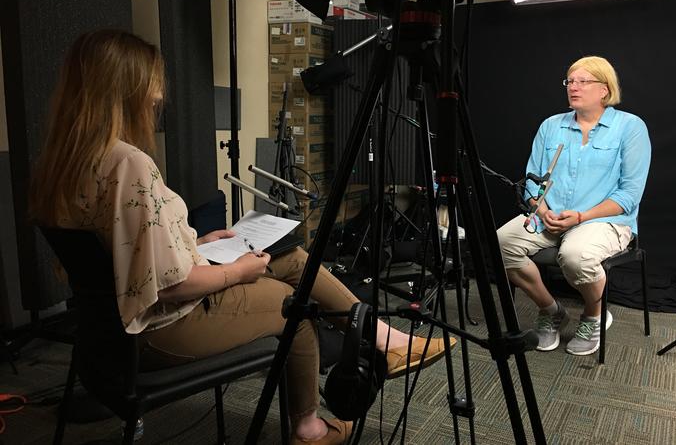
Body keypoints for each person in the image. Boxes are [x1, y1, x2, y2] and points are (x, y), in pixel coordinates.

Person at [29, 29, 455, 445]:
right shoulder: (128, 164)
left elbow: (120, 255)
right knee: (296, 303)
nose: (158, 98)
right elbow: (171, 284)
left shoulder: (61, 164)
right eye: (153, 87)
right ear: (125, 89)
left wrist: (195, 243)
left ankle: (384, 338)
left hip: (104, 333)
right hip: (160, 328)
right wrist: (236, 272)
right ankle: (309, 429)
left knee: (289, 258)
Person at [497, 56, 650, 356]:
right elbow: (532, 181)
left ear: (604, 90)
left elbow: (629, 195)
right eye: (570, 81)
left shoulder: (630, 128)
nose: (573, 87)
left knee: (575, 255)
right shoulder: (551, 126)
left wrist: (581, 216)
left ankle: (593, 316)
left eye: (583, 81)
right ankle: (551, 309)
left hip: (602, 222)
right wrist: (542, 210)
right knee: (500, 243)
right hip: (549, 216)